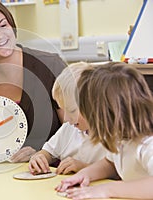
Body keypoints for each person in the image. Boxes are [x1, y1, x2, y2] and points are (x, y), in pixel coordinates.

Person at [0, 0, 67, 163]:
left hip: (54, 170)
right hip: (5, 172)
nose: (0, 36)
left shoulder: (50, 65)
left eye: (3, 25)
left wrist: (44, 154)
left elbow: (74, 129)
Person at [55, 62, 153, 199]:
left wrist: (109, 189)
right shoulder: (121, 138)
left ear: (110, 112)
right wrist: (84, 174)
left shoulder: (148, 143)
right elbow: (110, 163)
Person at [29, 62, 107, 175]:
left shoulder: (113, 135)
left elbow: (115, 171)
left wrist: (84, 168)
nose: (66, 118)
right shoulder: (69, 129)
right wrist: (39, 158)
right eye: (63, 110)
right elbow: (48, 152)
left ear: (96, 105)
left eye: (72, 111)